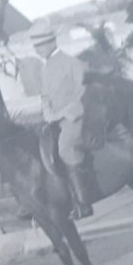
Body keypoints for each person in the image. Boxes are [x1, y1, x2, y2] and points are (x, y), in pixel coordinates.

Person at [29, 23, 100, 218]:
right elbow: (45, 96)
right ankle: (58, 197)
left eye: (42, 44)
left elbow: (83, 92)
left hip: (75, 116)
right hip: (53, 118)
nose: (39, 49)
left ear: (53, 42)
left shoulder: (72, 63)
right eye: (36, 46)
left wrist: (64, 113)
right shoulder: (43, 69)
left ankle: (84, 201)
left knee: (66, 147)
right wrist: (48, 112)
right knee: (40, 147)